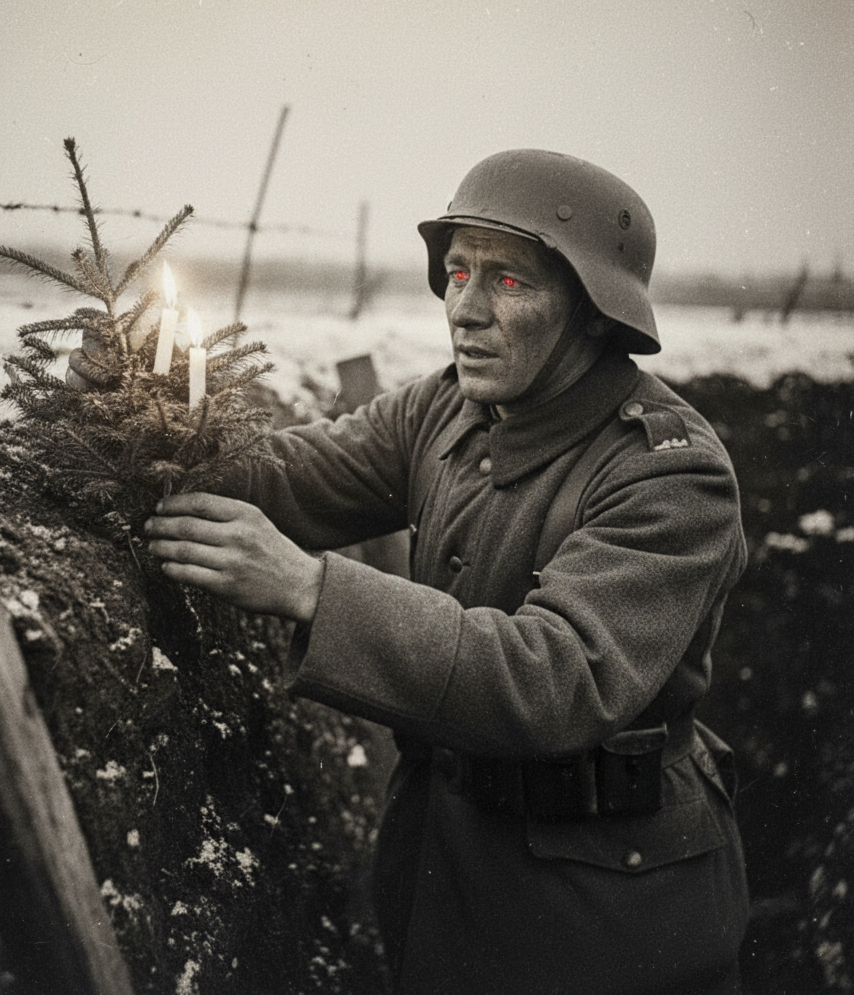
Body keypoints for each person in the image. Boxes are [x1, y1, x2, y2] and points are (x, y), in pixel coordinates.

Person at [144, 150, 750, 994]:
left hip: (608, 911)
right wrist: (152, 414)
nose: (462, 309)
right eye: (457, 272)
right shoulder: (447, 408)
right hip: (443, 865)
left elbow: (559, 677)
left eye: (507, 282)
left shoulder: (668, 475)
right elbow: (291, 475)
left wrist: (309, 590)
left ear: (593, 312)